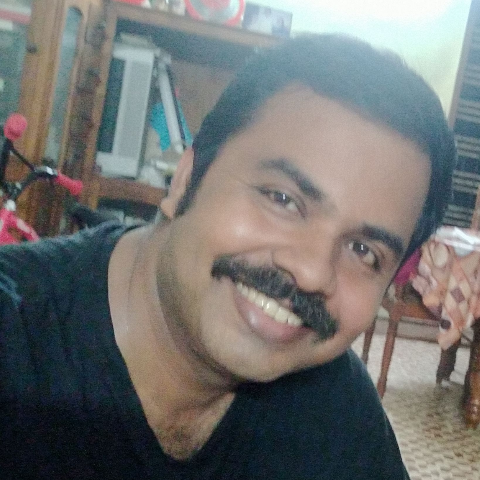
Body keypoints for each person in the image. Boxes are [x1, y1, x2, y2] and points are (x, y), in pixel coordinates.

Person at [0, 34, 456, 479]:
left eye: (363, 251)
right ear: (186, 180)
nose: (312, 272)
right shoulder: (17, 346)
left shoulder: (336, 406)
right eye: (282, 199)